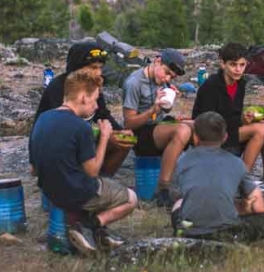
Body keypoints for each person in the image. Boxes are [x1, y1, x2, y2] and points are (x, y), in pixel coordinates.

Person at [30, 70, 138, 253]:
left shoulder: (43, 118)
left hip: (50, 191)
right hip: (76, 193)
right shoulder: (81, 127)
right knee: (131, 198)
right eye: (95, 99)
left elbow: (33, 169)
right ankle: (90, 225)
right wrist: (104, 137)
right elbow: (93, 171)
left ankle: (99, 235)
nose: (96, 106)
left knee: (89, 182)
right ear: (82, 97)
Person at [170, 112, 264, 242]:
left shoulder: (182, 160)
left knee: (179, 203)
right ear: (225, 137)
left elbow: (178, 194)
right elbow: (259, 208)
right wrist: (246, 206)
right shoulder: (236, 163)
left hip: (188, 232)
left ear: (195, 137)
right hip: (229, 234)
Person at [34, 41, 135, 176]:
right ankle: (89, 182)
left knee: (125, 140)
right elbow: (62, 131)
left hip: (83, 137)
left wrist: (120, 131)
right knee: (111, 140)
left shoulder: (92, 85)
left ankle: (103, 179)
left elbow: (102, 114)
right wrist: (104, 136)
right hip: (63, 146)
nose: (98, 72)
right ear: (77, 68)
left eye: (100, 67)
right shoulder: (58, 88)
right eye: (93, 67)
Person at [192, 43, 264, 183]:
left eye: (242, 65)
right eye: (233, 65)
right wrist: (241, 120)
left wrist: (247, 117)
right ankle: (241, 182)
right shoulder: (212, 85)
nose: (238, 69)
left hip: (229, 130)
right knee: (260, 130)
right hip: (211, 135)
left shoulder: (240, 84)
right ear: (223, 64)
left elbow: (232, 113)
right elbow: (208, 121)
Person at [122, 48, 193, 205]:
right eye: (166, 73)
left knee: (198, 126)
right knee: (182, 130)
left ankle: (199, 185)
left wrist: (169, 99)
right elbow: (128, 123)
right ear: (158, 61)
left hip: (157, 126)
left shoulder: (161, 80)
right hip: (139, 134)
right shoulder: (134, 83)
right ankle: (163, 189)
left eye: (171, 77)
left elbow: (164, 110)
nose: (167, 78)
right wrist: (152, 110)